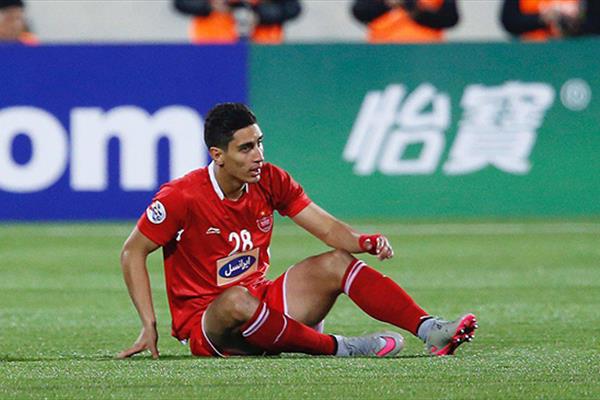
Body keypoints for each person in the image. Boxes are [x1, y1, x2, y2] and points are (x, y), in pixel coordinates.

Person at [118, 103, 477, 359]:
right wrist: (149, 324)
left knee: (337, 262)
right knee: (235, 300)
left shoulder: (270, 179)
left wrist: (362, 241)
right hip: (206, 325)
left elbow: (326, 227)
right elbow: (133, 251)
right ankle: (341, 347)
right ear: (218, 155)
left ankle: (430, 330)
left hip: (262, 303)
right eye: (246, 148)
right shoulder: (181, 196)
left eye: (260, 142)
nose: (258, 155)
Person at [173, 0, 301, 44]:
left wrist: (259, 14)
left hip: (263, 49)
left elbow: (292, 8)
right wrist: (210, 7)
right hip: (212, 46)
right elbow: (181, 3)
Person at [351, 0, 459, 43]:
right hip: (382, 49)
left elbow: (450, 18)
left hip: (427, 49)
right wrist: (388, 4)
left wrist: (412, 7)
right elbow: (360, 11)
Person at [500, 0, 599, 40]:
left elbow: (595, 24)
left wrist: (574, 25)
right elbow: (510, 21)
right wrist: (543, 18)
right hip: (530, 50)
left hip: (572, 50)